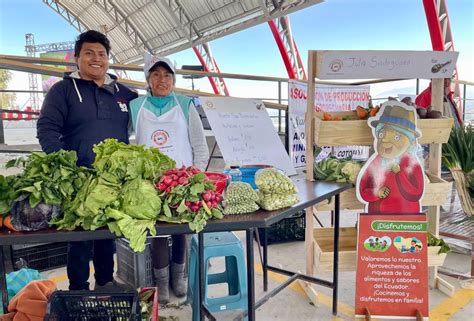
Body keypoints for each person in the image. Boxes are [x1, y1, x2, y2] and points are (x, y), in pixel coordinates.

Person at [37, 30, 138, 291]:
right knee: (79, 236)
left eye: (102, 54)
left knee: (107, 233)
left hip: (113, 181)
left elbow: (151, 119)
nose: (96, 59)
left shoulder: (125, 94)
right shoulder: (63, 91)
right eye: (89, 53)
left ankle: (105, 282)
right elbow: (47, 128)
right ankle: (78, 289)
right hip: (78, 178)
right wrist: (64, 166)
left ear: (108, 59)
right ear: (77, 58)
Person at [129, 52, 209, 303]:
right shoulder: (135, 107)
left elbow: (200, 144)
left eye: (167, 75)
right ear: (148, 79)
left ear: (173, 79)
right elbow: (125, 146)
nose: (162, 79)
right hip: (150, 184)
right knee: (157, 234)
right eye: (156, 74)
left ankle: (179, 277)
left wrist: (195, 178)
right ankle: (161, 283)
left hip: (182, 182)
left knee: (180, 231)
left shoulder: (185, 104)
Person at [357, 103, 424, 213]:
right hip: (377, 220)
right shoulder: (376, 162)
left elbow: (416, 193)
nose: (385, 141)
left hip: (406, 219)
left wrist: (400, 174)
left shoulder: (411, 163)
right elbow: (363, 188)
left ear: (410, 142)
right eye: (382, 135)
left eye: (396, 137)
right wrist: (376, 192)